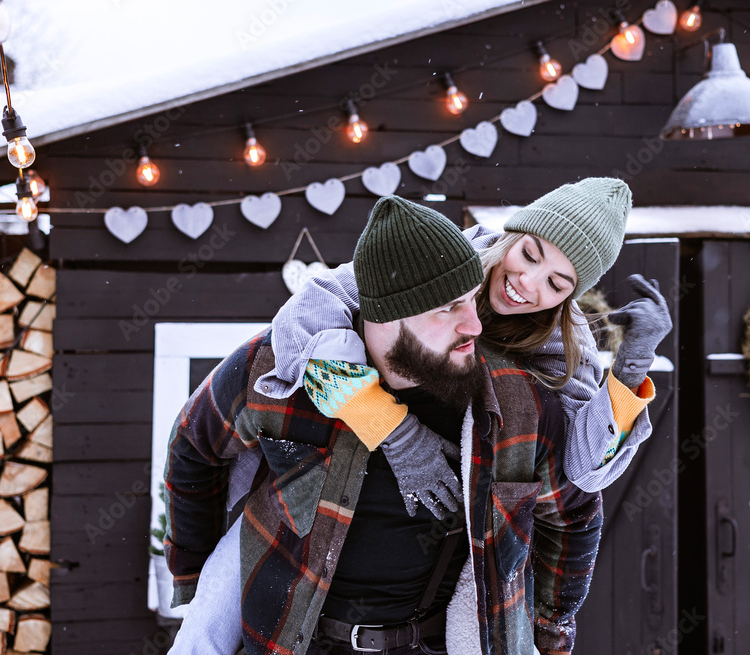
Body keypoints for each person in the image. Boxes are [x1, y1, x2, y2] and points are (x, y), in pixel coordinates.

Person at [164, 195, 603, 654]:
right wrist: (197, 579)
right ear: (391, 312)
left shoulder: (515, 403)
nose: (476, 325)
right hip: (287, 641)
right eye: (450, 307)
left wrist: (550, 634)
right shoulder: (282, 370)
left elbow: (573, 511)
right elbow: (195, 444)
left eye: (472, 300)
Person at [257, 177, 671, 515]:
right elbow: (310, 309)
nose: (527, 283)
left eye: (556, 284)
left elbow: (585, 469)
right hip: (343, 473)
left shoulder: (562, 339)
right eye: (529, 254)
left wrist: (632, 365)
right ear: (514, 233)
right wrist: (392, 430)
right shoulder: (446, 256)